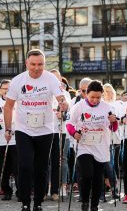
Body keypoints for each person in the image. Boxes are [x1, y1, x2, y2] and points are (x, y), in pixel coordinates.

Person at [4, 49, 68, 211]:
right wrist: (7, 128)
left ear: (44, 64)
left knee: (41, 167)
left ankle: (38, 202)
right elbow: (9, 106)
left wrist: (63, 103)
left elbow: (61, 97)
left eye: (40, 64)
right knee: (25, 165)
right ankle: (25, 202)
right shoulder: (18, 81)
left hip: (45, 129)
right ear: (27, 64)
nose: (36, 68)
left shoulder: (51, 79)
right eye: (33, 64)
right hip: (23, 129)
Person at [66, 80, 118, 211]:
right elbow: (69, 124)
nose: (95, 100)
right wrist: (74, 133)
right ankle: (84, 200)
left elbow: (114, 128)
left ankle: (94, 205)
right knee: (87, 174)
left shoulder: (106, 107)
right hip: (84, 146)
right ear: (86, 94)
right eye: (92, 97)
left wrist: (114, 121)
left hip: (100, 146)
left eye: (98, 97)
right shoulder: (79, 106)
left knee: (97, 178)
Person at [0, 79, 19, 201]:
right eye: (4, 89)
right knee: (3, 169)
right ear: (1, 90)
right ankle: (6, 191)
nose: (7, 91)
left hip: (16, 141)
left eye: (9, 89)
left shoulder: (18, 103)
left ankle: (20, 191)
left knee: (18, 168)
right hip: (1, 141)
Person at [48, 69, 71, 201]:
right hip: (45, 130)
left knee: (58, 160)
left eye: (57, 79)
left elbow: (68, 112)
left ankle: (56, 189)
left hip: (60, 131)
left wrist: (63, 114)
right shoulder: (44, 92)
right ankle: (45, 188)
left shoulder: (64, 94)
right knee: (45, 161)